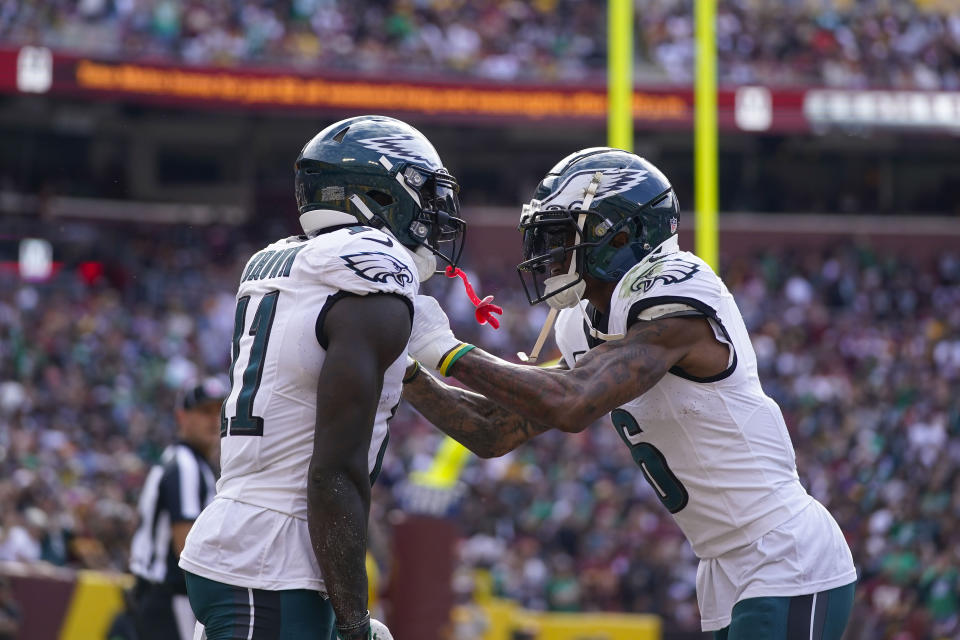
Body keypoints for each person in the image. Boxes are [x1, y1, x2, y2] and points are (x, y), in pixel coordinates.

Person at [402, 147, 857, 639]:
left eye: (560, 235)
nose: (545, 251)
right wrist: (403, 369)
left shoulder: (676, 306)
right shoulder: (589, 325)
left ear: (618, 235)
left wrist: (444, 349)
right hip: (724, 566)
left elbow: (571, 403)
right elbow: (492, 431)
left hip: (783, 552)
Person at [179, 115, 465, 640]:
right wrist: (353, 622)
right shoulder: (366, 274)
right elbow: (334, 472)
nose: (433, 213)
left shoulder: (290, 265)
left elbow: (482, 429)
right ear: (378, 197)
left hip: (261, 553)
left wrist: (453, 356)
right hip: (270, 562)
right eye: (421, 193)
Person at [129, 376, 229, 640]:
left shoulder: (191, 463)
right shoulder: (185, 466)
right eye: (204, 411)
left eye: (220, 411)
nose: (213, 420)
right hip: (169, 598)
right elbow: (185, 547)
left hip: (160, 596)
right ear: (182, 417)